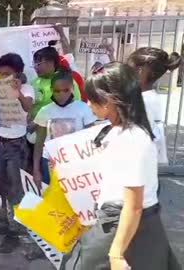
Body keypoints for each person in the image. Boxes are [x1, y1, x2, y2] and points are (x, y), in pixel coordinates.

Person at [60, 62, 181, 270]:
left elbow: (133, 205)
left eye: (92, 98)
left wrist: (116, 253)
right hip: (124, 223)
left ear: (108, 101)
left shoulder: (132, 139)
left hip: (125, 227)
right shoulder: (116, 131)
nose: (88, 104)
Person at [0, 53, 34, 254]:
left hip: (16, 143)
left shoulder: (26, 89)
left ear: (17, 74)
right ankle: (9, 223)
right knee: (4, 186)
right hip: (0, 140)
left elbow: (29, 108)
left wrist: (18, 92)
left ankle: (16, 232)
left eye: (7, 74)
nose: (2, 77)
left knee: (16, 188)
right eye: (0, 73)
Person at [32, 71, 96, 186]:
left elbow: (91, 140)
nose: (61, 94)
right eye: (57, 91)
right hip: (50, 162)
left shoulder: (83, 109)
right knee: (52, 198)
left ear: (72, 88)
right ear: (52, 89)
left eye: (65, 90)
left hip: (76, 162)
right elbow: (39, 143)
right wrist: (36, 169)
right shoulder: (45, 111)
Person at [127, 47, 182, 166]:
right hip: (153, 164)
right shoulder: (151, 97)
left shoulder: (142, 101)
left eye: (128, 69)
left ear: (140, 71)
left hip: (143, 168)